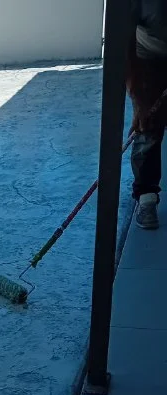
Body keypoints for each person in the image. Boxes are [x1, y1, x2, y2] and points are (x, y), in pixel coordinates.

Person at [127, 1, 167, 229]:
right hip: (148, 59)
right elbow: (123, 44)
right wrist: (138, 97)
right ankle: (146, 197)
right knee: (148, 126)